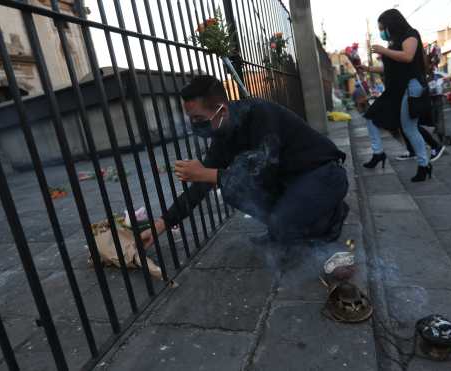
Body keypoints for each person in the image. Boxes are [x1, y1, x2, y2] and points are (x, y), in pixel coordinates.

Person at [139, 75, 349, 248]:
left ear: (222, 110)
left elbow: (262, 171)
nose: (195, 126)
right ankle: (283, 225)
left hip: (323, 175)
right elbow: (201, 186)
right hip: (289, 182)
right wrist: (162, 224)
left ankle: (330, 218)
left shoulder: (260, 114)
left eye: (199, 119)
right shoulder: (223, 132)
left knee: (284, 221)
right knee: (233, 190)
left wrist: (207, 174)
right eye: (191, 120)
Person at [358, 9, 432, 182]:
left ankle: (424, 165)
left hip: (410, 88)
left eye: (383, 28)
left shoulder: (410, 35)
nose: (382, 32)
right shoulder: (394, 43)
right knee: (371, 116)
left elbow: (407, 57)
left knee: (409, 129)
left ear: (392, 24)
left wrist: (384, 51)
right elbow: (391, 67)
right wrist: (369, 69)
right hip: (395, 90)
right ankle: (378, 153)